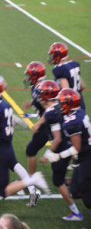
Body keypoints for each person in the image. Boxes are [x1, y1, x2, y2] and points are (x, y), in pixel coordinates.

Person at [0, 78, 49, 228]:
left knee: (3, 191)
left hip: (0, 151)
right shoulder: (4, 104)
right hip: (6, 147)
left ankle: (32, 180)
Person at [37, 81, 83, 221]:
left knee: (57, 180)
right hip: (72, 142)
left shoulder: (52, 113)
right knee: (64, 177)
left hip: (62, 146)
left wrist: (48, 154)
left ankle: (75, 212)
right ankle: (78, 181)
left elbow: (56, 139)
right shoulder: (61, 106)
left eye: (41, 94)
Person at [46, 89, 91, 210]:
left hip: (88, 159)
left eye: (61, 103)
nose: (59, 106)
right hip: (84, 157)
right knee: (75, 191)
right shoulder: (79, 113)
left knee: (88, 202)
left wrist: (58, 156)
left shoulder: (72, 122)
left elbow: (76, 149)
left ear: (69, 105)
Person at [22, 61, 48, 206]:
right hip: (47, 124)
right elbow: (38, 100)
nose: (27, 77)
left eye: (30, 74)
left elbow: (50, 110)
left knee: (31, 150)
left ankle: (31, 180)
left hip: (49, 124)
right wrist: (30, 103)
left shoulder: (41, 89)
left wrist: (38, 123)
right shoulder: (37, 86)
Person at [48, 42, 86, 110]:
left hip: (70, 106)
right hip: (80, 102)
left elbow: (66, 92)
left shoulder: (59, 69)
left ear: (57, 55)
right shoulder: (74, 64)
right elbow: (82, 86)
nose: (51, 57)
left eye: (52, 55)